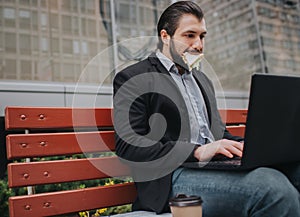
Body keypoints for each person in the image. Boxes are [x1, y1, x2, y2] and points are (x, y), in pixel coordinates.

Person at [113, 1, 300, 216]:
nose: (199, 44)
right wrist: (197, 151)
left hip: (214, 167)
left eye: (202, 36)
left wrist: (252, 148)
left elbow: (217, 134)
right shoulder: (134, 78)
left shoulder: (202, 80)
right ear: (165, 36)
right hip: (172, 176)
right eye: (189, 35)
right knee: (271, 189)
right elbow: (129, 146)